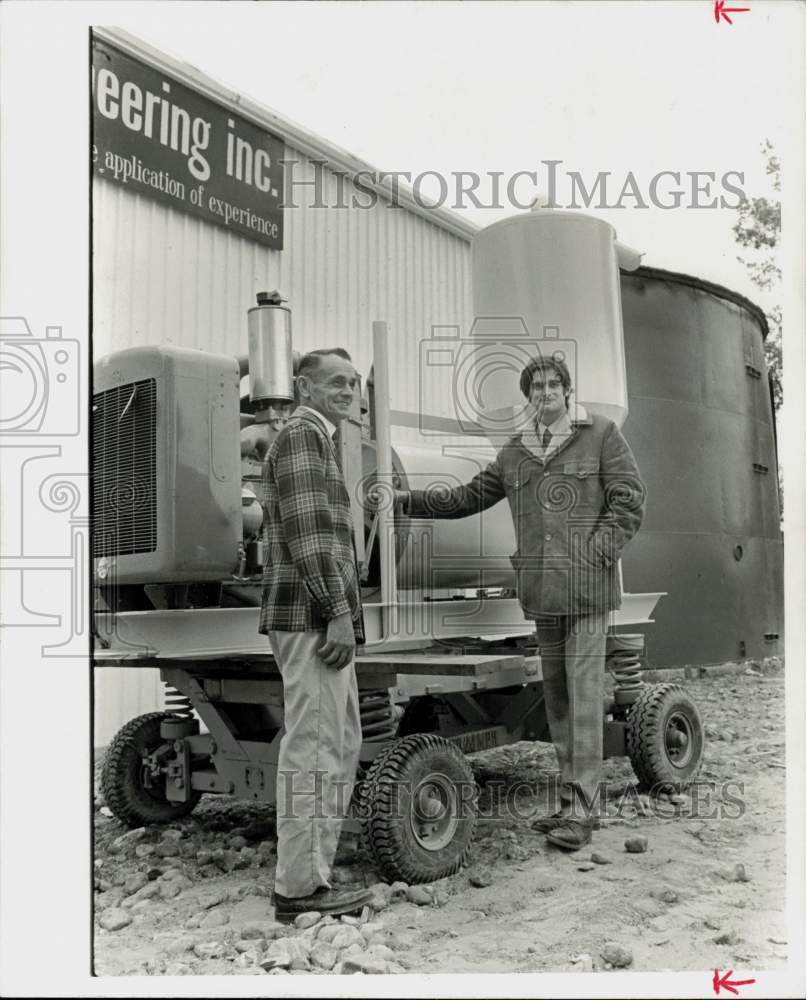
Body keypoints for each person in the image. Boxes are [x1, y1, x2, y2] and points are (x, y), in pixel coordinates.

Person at [377, 354, 646, 850]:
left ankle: (583, 811)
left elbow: (630, 500)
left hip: (587, 592)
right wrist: (406, 498)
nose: (544, 393)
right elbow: (466, 498)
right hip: (543, 592)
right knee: (559, 700)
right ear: (528, 399)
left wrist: (597, 552)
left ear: (567, 390)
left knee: (585, 698)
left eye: (552, 384)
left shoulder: (601, 433)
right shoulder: (516, 452)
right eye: (535, 388)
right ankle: (569, 804)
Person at [259, 347, 371, 920]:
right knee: (318, 749)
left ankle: (312, 873)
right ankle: (299, 891)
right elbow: (309, 533)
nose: (348, 390)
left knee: (336, 742)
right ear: (303, 388)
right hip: (312, 618)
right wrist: (336, 612)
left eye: (352, 382)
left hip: (311, 614)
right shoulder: (304, 436)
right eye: (334, 382)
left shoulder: (315, 437)